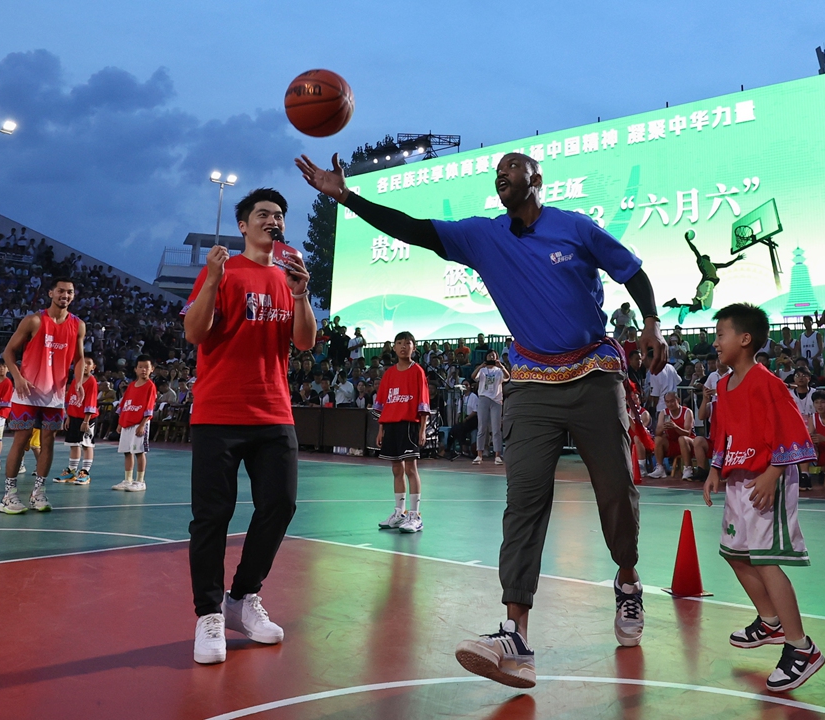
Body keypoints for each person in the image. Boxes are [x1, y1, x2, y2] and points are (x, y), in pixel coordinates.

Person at [298, 150, 667, 687]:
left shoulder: (575, 228)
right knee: (524, 502)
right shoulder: (483, 236)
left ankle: (628, 581)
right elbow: (415, 230)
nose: (502, 175)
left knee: (615, 490)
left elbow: (633, 272)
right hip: (532, 382)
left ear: (536, 179)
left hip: (593, 372)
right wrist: (346, 197)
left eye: (511, 168)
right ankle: (515, 635)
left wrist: (652, 324)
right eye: (497, 173)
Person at [181, 187, 317, 665]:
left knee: (280, 504)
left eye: (279, 214)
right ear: (244, 225)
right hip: (219, 412)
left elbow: (303, 342)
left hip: (273, 412)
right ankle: (208, 615)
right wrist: (214, 281)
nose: (273, 220)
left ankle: (241, 599)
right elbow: (194, 332)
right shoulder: (222, 271)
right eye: (263, 214)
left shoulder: (287, 277)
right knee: (212, 517)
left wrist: (302, 296)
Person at [703, 302, 824, 693]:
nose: (715, 341)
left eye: (721, 334)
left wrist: (774, 471)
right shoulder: (722, 385)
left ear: (744, 338)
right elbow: (722, 434)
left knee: (767, 561)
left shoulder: (767, 381)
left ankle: (800, 647)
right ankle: (770, 621)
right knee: (735, 554)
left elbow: (796, 433)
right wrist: (714, 470)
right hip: (738, 479)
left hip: (765, 479)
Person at [0, 277, 86, 514]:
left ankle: (38, 492)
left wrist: (78, 380)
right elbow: (9, 351)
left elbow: (79, 359)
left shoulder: (78, 325)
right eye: (60, 291)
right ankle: (9, 494)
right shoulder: (34, 320)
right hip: (27, 393)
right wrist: (16, 376)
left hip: (54, 397)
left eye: (69, 292)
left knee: (48, 442)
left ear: (73, 296)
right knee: (21, 440)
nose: (64, 295)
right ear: (50, 293)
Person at [375, 331, 430, 533]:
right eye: (399, 343)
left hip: (409, 425)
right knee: (396, 470)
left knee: (411, 469)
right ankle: (399, 513)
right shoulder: (389, 373)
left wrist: (422, 430)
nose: (403, 346)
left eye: (407, 343)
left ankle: (415, 516)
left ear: (413, 347)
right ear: (394, 347)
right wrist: (381, 429)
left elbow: (424, 405)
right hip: (391, 425)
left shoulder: (418, 372)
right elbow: (382, 404)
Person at [662, 230, 745, 324]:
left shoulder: (712, 265)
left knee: (697, 305)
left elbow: (726, 264)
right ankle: (685, 309)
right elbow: (695, 250)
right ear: (706, 258)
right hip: (707, 284)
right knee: (706, 305)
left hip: (703, 285)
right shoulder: (702, 261)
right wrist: (688, 240)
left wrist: (736, 259)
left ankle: (675, 304)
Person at [113, 356, 156, 491]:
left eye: (146, 367)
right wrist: (121, 422)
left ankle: (140, 481)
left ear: (152, 369)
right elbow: (124, 405)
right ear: (136, 369)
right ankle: (128, 479)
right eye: (141, 367)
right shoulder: (131, 386)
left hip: (139, 424)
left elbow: (149, 408)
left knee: (139, 452)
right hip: (127, 423)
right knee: (127, 452)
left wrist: (143, 424)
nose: (143, 370)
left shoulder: (150, 386)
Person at [55, 357, 99, 485]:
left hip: (86, 418)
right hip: (74, 417)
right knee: (73, 444)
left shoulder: (92, 382)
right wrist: (68, 417)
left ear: (93, 367)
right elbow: (70, 400)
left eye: (88, 364)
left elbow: (91, 402)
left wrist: (86, 421)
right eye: (82, 363)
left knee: (87, 444)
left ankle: (85, 472)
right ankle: (72, 472)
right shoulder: (75, 380)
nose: (85, 366)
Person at [647, 390, 695, 480]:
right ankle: (660, 468)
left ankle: (688, 469)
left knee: (682, 438)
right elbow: (657, 432)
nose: (670, 404)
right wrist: (662, 428)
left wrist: (675, 427)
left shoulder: (687, 412)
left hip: (688, 443)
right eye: (667, 402)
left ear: (678, 400)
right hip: (672, 443)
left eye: (672, 401)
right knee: (658, 439)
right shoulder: (663, 413)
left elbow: (688, 433)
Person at [472, 349, 506, 465]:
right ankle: (479, 455)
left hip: (496, 399)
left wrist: (501, 366)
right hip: (483, 398)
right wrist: (481, 365)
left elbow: (508, 377)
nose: (492, 357)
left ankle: (497, 455)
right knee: (482, 427)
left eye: (494, 355)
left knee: (496, 429)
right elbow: (473, 376)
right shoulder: (482, 370)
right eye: (490, 355)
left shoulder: (499, 370)